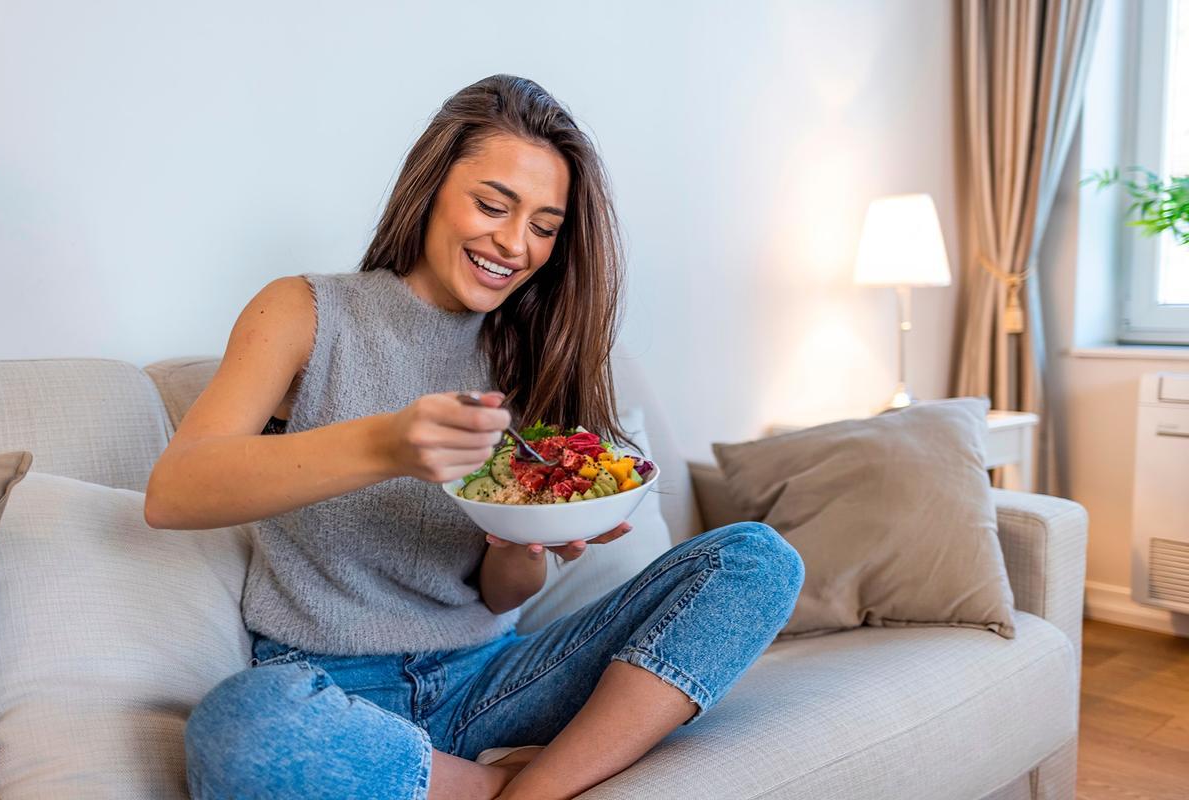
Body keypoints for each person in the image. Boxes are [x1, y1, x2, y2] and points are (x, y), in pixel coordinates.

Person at [145, 74, 804, 800]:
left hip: (490, 681)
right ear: (429, 187)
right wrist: (388, 445)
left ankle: (537, 784)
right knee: (239, 726)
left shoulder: (530, 354)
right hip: (331, 695)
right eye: (493, 205)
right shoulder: (303, 312)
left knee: (758, 560)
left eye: (545, 227)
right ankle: (490, 788)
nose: (515, 244)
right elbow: (176, 490)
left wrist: (523, 541)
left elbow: (498, 597)